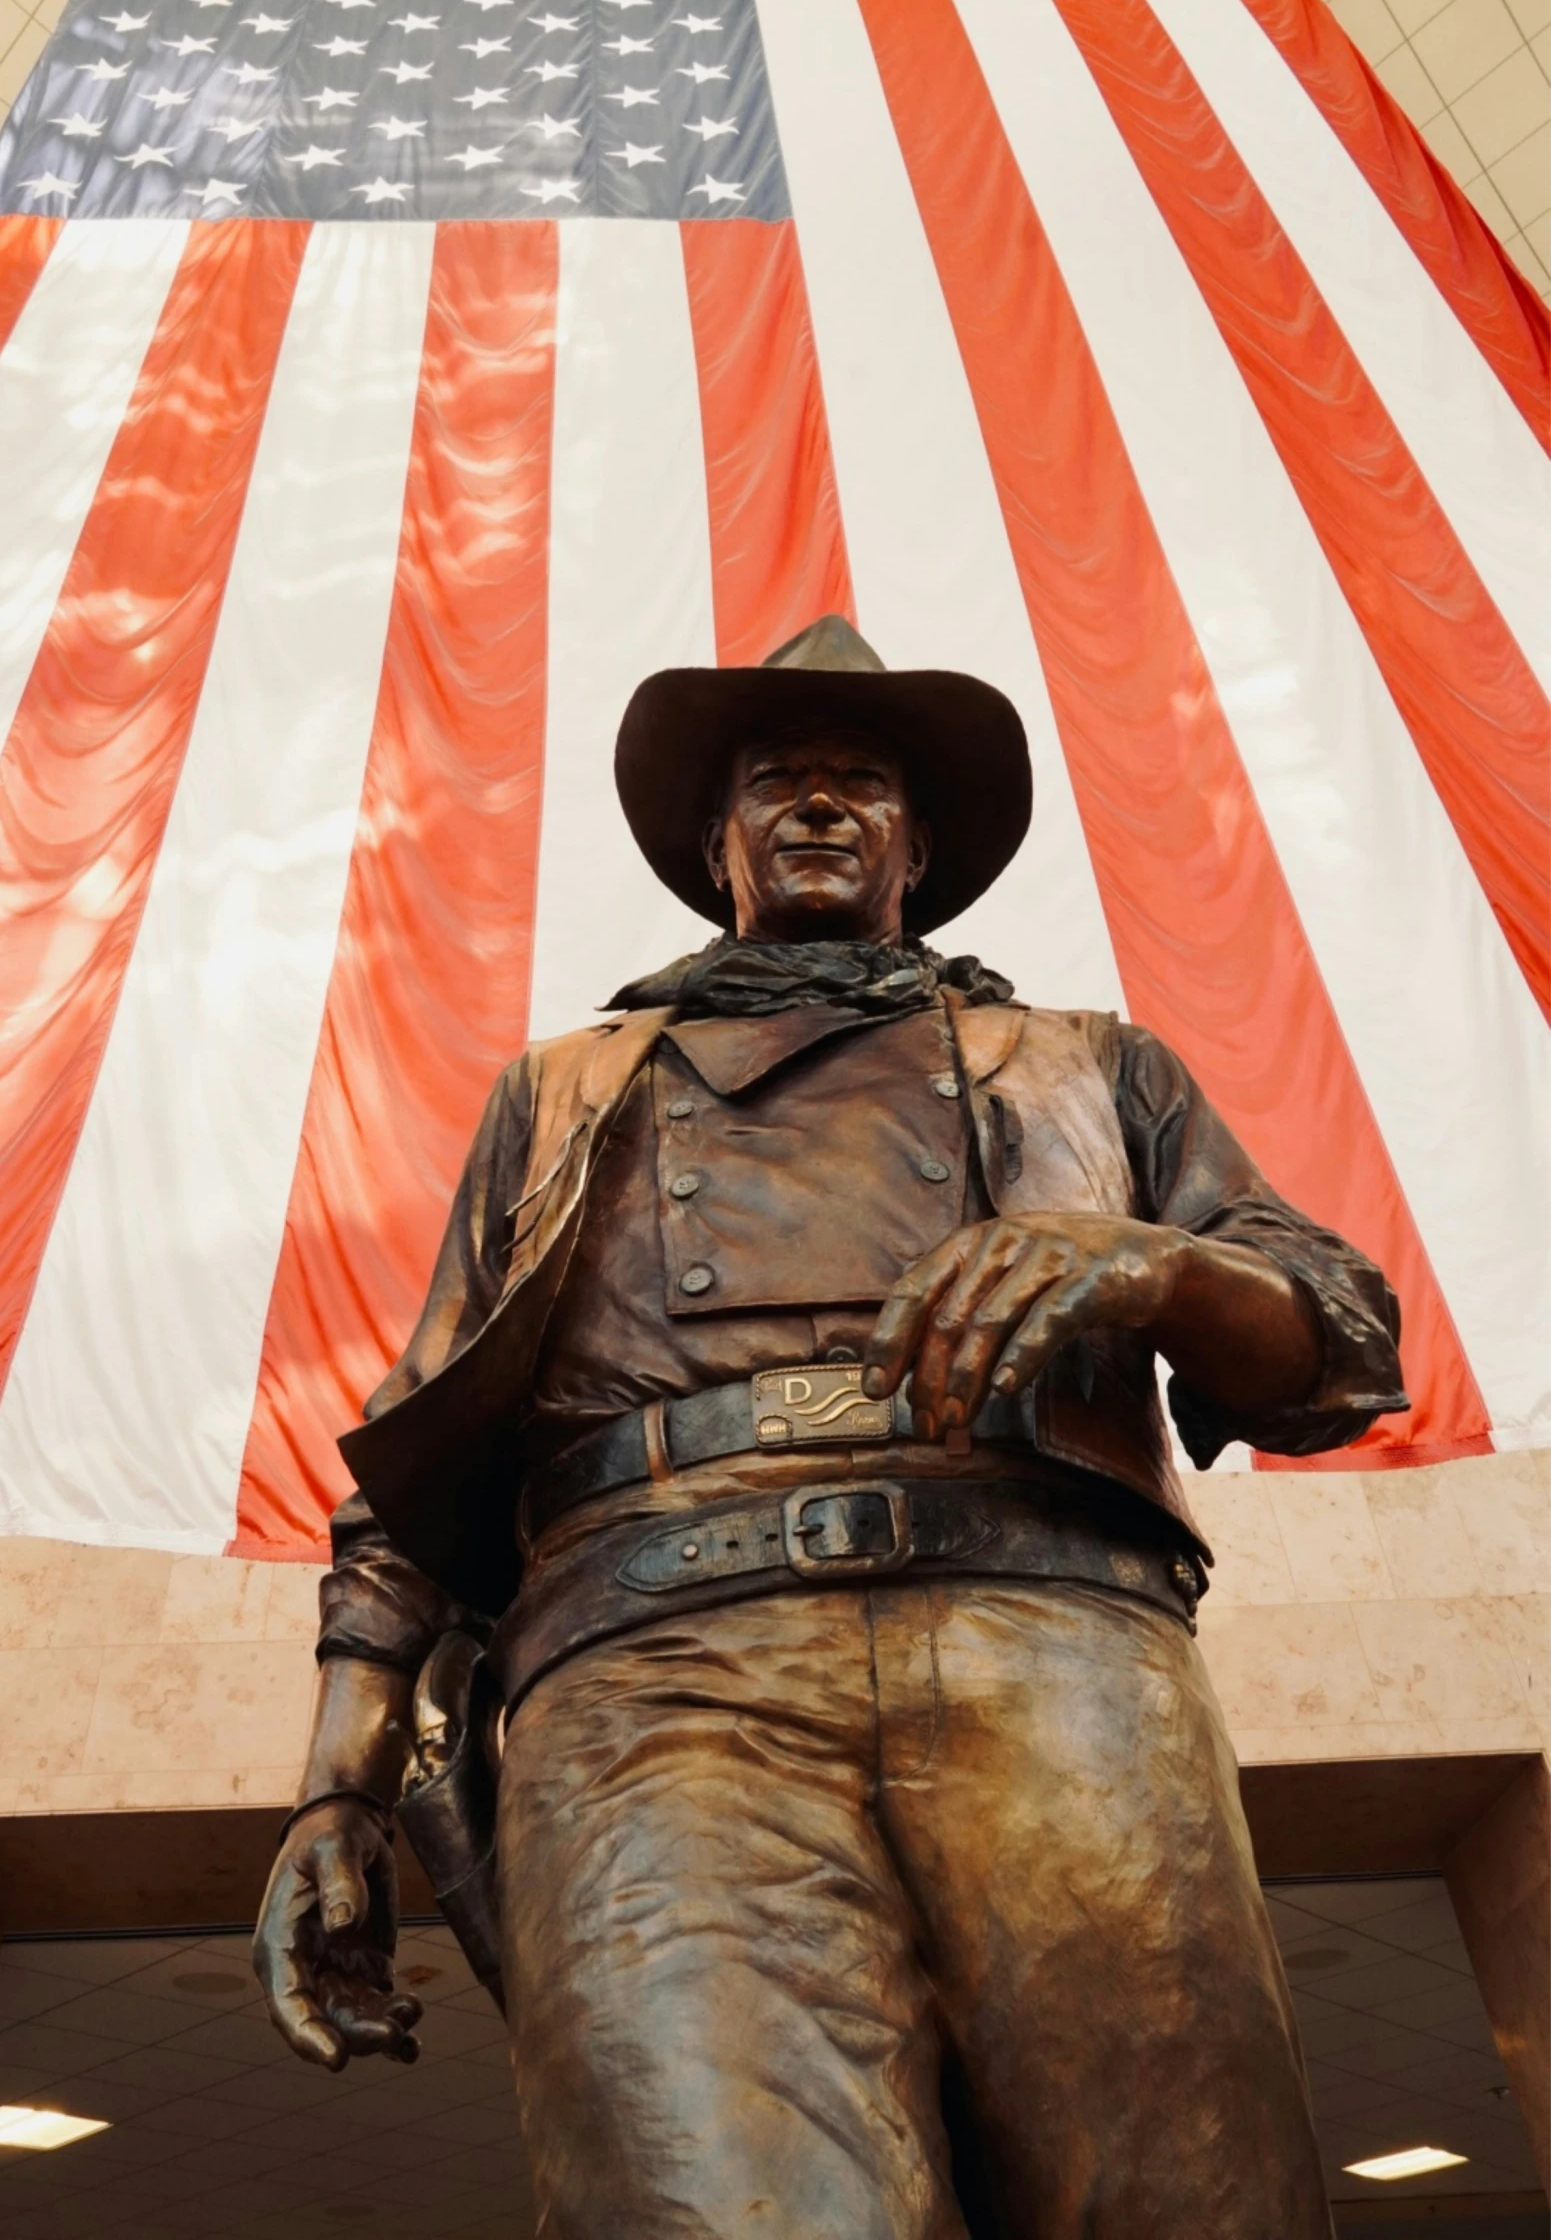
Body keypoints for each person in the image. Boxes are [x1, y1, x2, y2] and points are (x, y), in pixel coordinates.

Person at [255, 617, 1406, 2239]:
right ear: (709, 843)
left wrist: (1145, 1265)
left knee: (1191, 2195)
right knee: (722, 2206)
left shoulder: (1090, 1063)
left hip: (1055, 1649)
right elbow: (420, 1459)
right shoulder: (567, 1089)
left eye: (857, 782)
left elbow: (1342, 1337)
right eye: (774, 783)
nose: (815, 806)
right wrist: (337, 1793)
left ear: (917, 845)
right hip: (660, 1685)